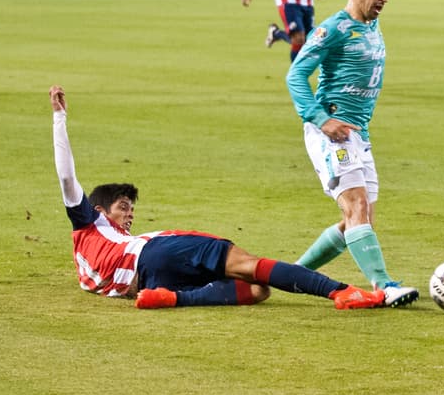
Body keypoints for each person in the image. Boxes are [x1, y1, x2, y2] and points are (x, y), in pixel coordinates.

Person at [48, 85, 386, 310]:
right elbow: (66, 177)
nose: (130, 214)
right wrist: (59, 117)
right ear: (98, 210)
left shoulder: (87, 273)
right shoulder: (88, 223)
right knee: (251, 265)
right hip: (156, 252)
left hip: (148, 281)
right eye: (123, 207)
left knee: (257, 290)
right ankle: (342, 291)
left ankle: (173, 298)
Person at [285, 0, 418, 308]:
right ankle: (384, 285)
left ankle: (292, 274)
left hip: (358, 134)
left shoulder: (372, 26)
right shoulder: (334, 29)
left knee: (360, 222)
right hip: (331, 132)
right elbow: (296, 75)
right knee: (356, 205)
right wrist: (320, 118)